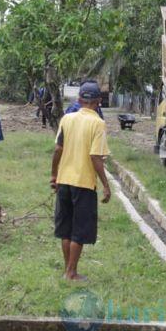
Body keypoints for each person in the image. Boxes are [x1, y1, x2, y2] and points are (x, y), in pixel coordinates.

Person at [51, 82, 111, 281]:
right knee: (79, 229)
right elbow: (96, 157)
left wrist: (54, 175)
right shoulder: (98, 123)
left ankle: (67, 270)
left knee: (66, 228)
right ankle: (71, 272)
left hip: (64, 180)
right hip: (84, 183)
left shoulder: (66, 119)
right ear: (98, 102)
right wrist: (106, 185)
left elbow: (58, 149)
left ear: (79, 100)